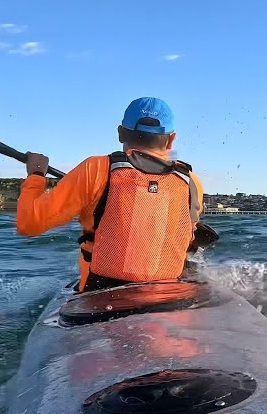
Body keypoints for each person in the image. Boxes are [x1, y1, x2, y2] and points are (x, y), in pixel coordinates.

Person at [16, 97, 204, 292]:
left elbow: (28, 223)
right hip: (169, 298)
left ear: (121, 133)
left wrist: (36, 176)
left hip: (101, 298)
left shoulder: (96, 169)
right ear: (171, 140)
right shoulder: (191, 182)